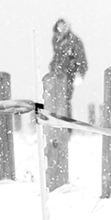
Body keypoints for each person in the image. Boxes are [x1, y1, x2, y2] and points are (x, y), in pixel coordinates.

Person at [44, 18, 89, 149]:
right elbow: (57, 56)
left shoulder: (75, 41)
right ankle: (56, 126)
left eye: (63, 27)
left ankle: (66, 129)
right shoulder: (56, 39)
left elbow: (82, 60)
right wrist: (53, 67)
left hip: (69, 75)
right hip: (56, 76)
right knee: (54, 101)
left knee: (64, 100)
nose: (61, 30)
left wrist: (79, 74)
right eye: (59, 27)